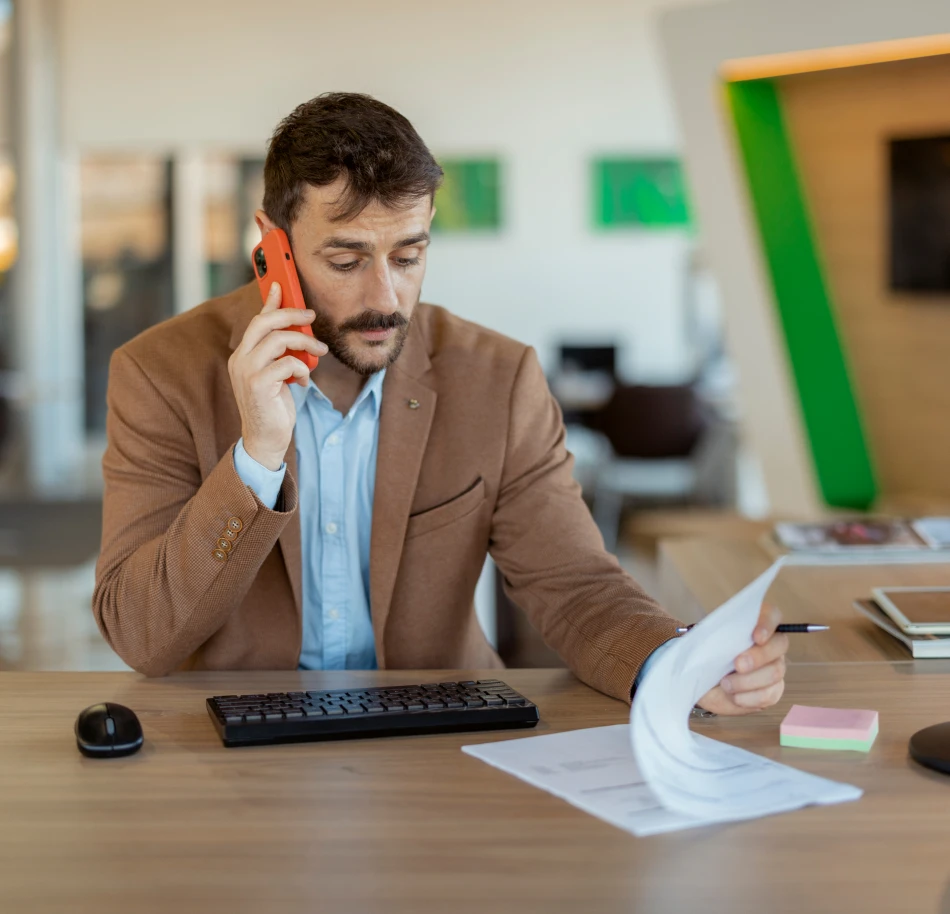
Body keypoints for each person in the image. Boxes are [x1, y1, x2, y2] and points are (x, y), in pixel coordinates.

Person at [93, 93, 787, 713]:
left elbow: (575, 584)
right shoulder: (160, 374)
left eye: (409, 254)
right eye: (345, 260)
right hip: (233, 745)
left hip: (436, 736)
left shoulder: (499, 379)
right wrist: (257, 457)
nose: (385, 299)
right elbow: (141, 636)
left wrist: (680, 666)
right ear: (271, 246)